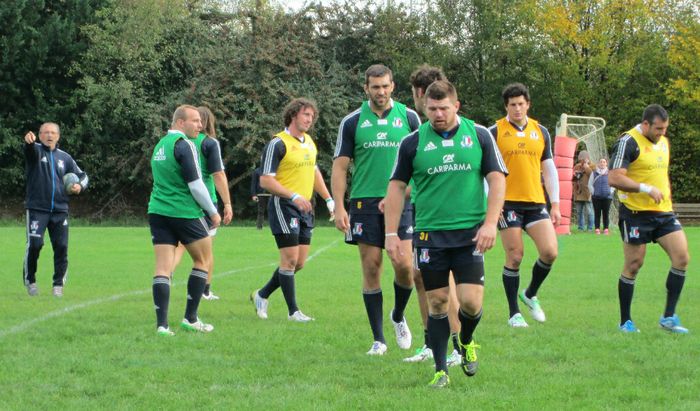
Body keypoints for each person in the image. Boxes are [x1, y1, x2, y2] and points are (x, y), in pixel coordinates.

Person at [385, 80, 507, 388]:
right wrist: (390, 234)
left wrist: (491, 223)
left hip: (470, 233)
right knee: (437, 302)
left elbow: (497, 180)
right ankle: (441, 370)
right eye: (432, 109)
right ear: (424, 108)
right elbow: (397, 187)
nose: (438, 114)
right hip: (429, 235)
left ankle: (465, 341)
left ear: (456, 106)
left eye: (444, 108)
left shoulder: (479, 136)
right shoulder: (412, 143)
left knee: (470, 303)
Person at [332, 64, 421, 355]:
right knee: (371, 267)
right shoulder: (352, 121)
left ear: (393, 86)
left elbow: (420, 164)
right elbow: (340, 167)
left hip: (402, 201)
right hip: (364, 202)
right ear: (366, 88)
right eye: (375, 87)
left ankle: (398, 314)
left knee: (404, 266)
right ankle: (379, 339)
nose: (380, 92)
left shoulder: (409, 117)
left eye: (385, 86)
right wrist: (339, 207)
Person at [250, 98, 334, 322]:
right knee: (288, 260)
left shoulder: (309, 142)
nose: (309, 119)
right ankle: (293, 312)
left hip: (306, 208)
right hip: (284, 205)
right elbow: (266, 181)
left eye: (312, 116)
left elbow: (314, 172)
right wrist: (293, 195)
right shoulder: (278, 143)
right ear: (293, 115)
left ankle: (262, 294)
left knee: (298, 263)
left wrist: (328, 199)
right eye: (306, 115)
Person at [608, 104, 690, 334]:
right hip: (635, 214)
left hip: (663, 213)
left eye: (664, 128)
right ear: (645, 124)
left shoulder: (663, 141)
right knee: (634, 265)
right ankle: (625, 322)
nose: (662, 133)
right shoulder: (628, 142)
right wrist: (645, 188)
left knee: (681, 258)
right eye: (658, 129)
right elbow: (614, 178)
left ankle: (668, 317)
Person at [402, 64, 462, 367]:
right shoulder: (419, 126)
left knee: (443, 280)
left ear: (420, 93)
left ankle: (457, 346)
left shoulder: (440, 125)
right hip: (423, 211)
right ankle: (431, 342)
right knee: (419, 275)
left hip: (443, 217)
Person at [489, 83, 561, 328]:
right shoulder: (494, 131)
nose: (517, 108)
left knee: (550, 251)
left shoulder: (541, 131)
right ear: (506, 106)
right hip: (506, 203)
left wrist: (556, 204)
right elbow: (486, 171)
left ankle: (530, 294)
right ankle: (514, 313)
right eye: (512, 105)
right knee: (515, 255)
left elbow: (549, 169)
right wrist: (491, 204)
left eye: (521, 104)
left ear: (528, 104)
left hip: (535, 201)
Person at [148, 105, 222, 336]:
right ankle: (190, 318)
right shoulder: (185, 144)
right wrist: (212, 211)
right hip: (183, 212)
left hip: (157, 211)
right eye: (196, 121)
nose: (200, 126)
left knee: (162, 268)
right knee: (203, 260)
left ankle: (162, 325)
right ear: (180, 122)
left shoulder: (160, 145)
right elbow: (196, 185)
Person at [169, 106, 233, 300]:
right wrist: (227, 203)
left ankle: (167, 274)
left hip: (183, 200)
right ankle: (205, 289)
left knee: (180, 245)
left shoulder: (181, 142)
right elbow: (218, 175)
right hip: (206, 201)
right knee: (206, 250)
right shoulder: (209, 143)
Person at [22, 122, 89, 297]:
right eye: (45, 132)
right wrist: (28, 143)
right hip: (37, 209)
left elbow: (83, 176)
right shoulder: (35, 151)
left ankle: (58, 285)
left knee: (61, 246)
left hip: (60, 210)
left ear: (58, 136)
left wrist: (79, 186)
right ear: (40, 135)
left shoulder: (65, 158)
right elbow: (28, 151)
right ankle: (31, 281)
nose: (49, 135)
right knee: (35, 245)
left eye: (53, 133)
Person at [588, 157, 614, 235]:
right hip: (596, 197)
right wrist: (593, 192)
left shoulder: (609, 173)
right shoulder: (594, 173)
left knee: (606, 213)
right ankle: (597, 228)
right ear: (598, 164)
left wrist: (610, 191)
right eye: (601, 162)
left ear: (606, 163)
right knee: (597, 213)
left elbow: (613, 184)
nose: (602, 163)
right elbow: (590, 184)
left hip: (607, 197)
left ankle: (606, 228)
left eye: (604, 162)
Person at [573, 150, 594, 232]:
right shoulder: (577, 166)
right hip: (578, 192)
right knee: (579, 212)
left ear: (587, 158)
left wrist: (587, 168)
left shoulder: (592, 166)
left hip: (588, 192)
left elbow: (593, 176)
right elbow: (573, 179)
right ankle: (580, 228)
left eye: (583, 159)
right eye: (581, 159)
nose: (582, 161)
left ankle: (590, 228)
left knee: (589, 211)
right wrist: (575, 175)